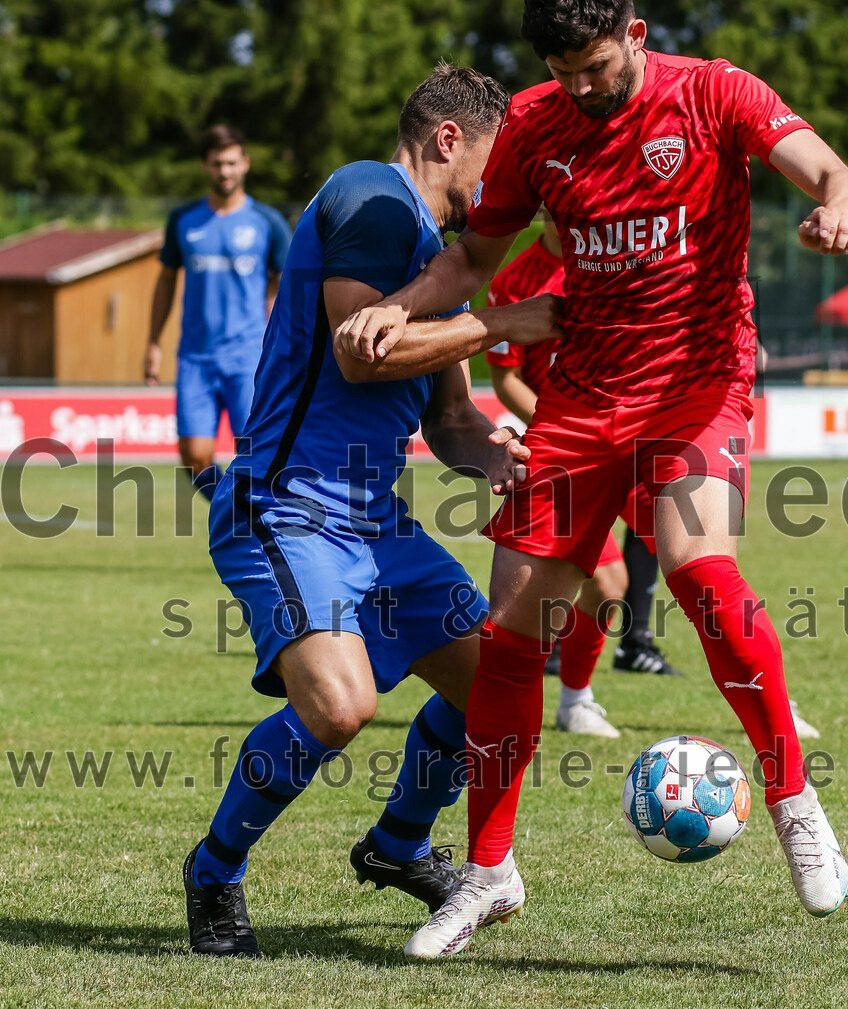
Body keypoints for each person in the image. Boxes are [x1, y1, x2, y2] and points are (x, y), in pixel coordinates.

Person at [338, 1, 848, 957]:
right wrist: (397, 308)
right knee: (510, 636)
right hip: (583, 398)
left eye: (595, 65)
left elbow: (835, 173)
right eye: (562, 68)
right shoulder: (536, 126)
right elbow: (473, 258)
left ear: (633, 26)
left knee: (698, 567)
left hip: (699, 378)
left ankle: (791, 799)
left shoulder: (714, 92)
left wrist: (839, 208)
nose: (580, 87)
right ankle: (490, 872)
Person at [182, 64, 560, 958]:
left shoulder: (441, 260)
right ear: (448, 139)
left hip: (373, 520)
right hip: (287, 504)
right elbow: (362, 353)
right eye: (498, 161)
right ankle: (215, 866)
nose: (504, 187)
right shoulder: (372, 196)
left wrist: (501, 454)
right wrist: (510, 320)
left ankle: (396, 844)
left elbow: (453, 419)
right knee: (340, 706)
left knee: (499, 689)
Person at [487, 214, 675, 739]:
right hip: (564, 448)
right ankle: (566, 700)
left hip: (628, 434)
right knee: (608, 585)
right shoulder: (514, 280)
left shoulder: (617, 260)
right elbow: (506, 380)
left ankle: (760, 685)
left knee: (703, 562)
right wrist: (558, 426)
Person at [145, 125, 291, 501]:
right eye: (216, 164)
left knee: (256, 455)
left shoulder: (267, 222)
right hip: (195, 357)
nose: (224, 171)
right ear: (204, 167)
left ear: (244, 163)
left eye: (230, 163)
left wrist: (284, 338)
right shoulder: (184, 220)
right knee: (194, 457)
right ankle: (236, 510)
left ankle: (254, 522)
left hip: (248, 358)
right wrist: (153, 343)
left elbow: (288, 283)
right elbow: (165, 283)